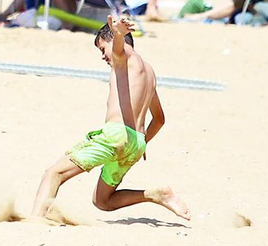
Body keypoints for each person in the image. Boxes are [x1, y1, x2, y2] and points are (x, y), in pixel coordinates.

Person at [31, 15, 190, 222]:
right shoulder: (149, 74)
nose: (103, 56)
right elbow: (159, 119)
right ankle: (155, 194)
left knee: (53, 174)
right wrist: (140, 142)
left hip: (116, 136)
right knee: (102, 201)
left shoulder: (123, 59)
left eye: (102, 49)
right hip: (136, 143)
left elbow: (118, 51)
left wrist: (117, 34)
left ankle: (33, 221)